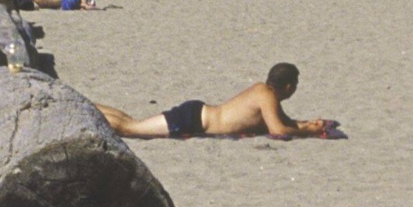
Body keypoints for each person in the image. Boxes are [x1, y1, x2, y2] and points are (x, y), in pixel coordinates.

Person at [93, 63, 334, 140]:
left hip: (198, 114)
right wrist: (310, 133)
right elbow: (279, 130)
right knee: (130, 128)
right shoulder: (266, 96)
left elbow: (284, 121)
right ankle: (86, 108)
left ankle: (89, 106)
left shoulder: (263, 92)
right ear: (289, 87)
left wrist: (309, 124)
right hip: (193, 120)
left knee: (133, 123)